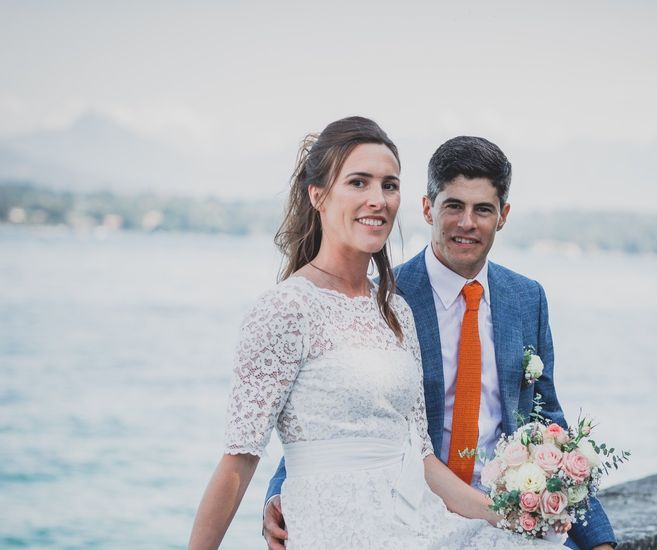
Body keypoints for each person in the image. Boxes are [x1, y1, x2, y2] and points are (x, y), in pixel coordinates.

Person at [189, 117, 566, 549]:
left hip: (409, 521)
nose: (378, 200)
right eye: (358, 182)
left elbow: (421, 456)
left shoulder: (395, 309)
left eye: (389, 185)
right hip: (334, 527)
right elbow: (238, 462)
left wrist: (506, 516)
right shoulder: (285, 308)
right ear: (318, 195)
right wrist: (274, 497)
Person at [263, 134, 617, 549]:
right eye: (454, 206)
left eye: (482, 209)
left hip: (509, 522)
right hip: (411, 518)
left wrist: (598, 540)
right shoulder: (383, 299)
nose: (467, 223)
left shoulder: (527, 298)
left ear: (502, 215)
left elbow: (547, 420)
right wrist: (279, 492)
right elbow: (335, 412)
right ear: (428, 207)